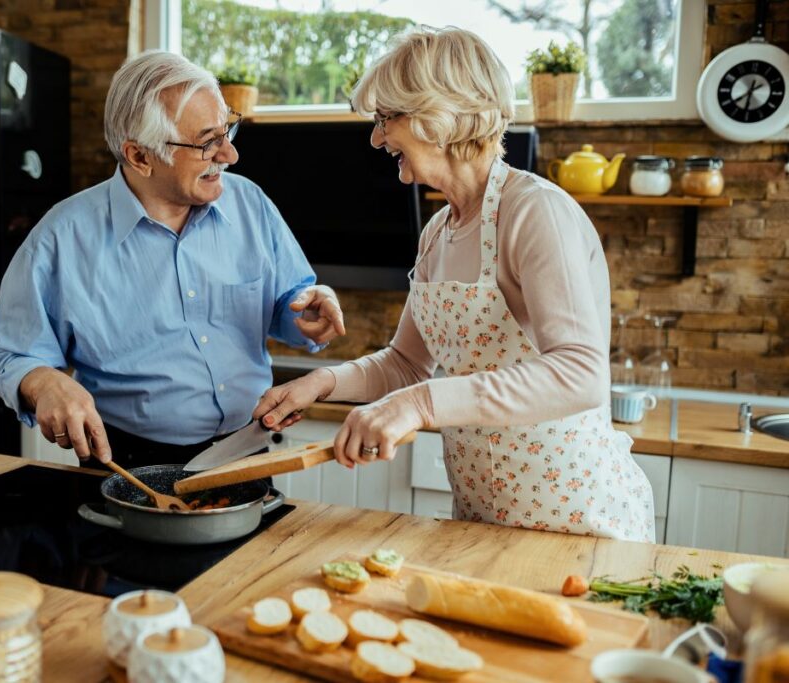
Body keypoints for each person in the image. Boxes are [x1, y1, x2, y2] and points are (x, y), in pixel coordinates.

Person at [254, 27, 654, 542]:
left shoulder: (534, 212)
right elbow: (404, 364)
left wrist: (419, 405)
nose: (376, 139)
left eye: (385, 119)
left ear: (438, 114)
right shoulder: (437, 231)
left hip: (574, 520)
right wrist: (322, 383)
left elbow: (580, 374)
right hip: (484, 517)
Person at [0, 50, 345, 468]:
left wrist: (305, 315)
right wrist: (43, 381)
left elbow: (290, 299)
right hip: (129, 465)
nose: (229, 155)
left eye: (227, 131)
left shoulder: (251, 203)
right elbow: (11, 355)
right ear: (139, 156)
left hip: (247, 452)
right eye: (208, 142)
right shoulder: (62, 239)